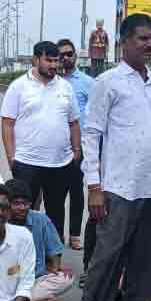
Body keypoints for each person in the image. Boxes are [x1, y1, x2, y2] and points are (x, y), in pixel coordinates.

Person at [69, 14, 151, 301]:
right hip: (117, 188)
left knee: (145, 265)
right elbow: (92, 134)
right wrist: (94, 186)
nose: (149, 44)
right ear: (124, 42)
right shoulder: (108, 82)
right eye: (142, 38)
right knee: (106, 262)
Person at [1, 41, 81, 238]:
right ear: (36, 60)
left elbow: (74, 123)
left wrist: (76, 152)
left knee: (56, 212)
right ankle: (21, 256)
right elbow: (7, 124)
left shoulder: (65, 88)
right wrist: (12, 158)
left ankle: (54, 260)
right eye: (49, 60)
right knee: (21, 212)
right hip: (26, 163)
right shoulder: (18, 87)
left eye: (56, 61)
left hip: (60, 164)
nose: (54, 65)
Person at [5, 179, 73, 301]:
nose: (22, 208)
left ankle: (22, 300)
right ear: (7, 204)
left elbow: (55, 250)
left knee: (66, 278)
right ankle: (28, 300)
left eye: (25, 203)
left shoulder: (40, 219)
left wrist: (55, 268)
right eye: (16, 203)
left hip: (37, 277)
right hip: (9, 276)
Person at [58, 38, 94, 250]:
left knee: (76, 191)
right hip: (55, 148)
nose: (65, 57)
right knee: (56, 194)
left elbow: (94, 115)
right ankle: (57, 234)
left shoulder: (88, 83)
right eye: (60, 54)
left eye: (69, 53)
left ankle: (74, 234)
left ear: (75, 56)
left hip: (78, 147)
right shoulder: (51, 82)